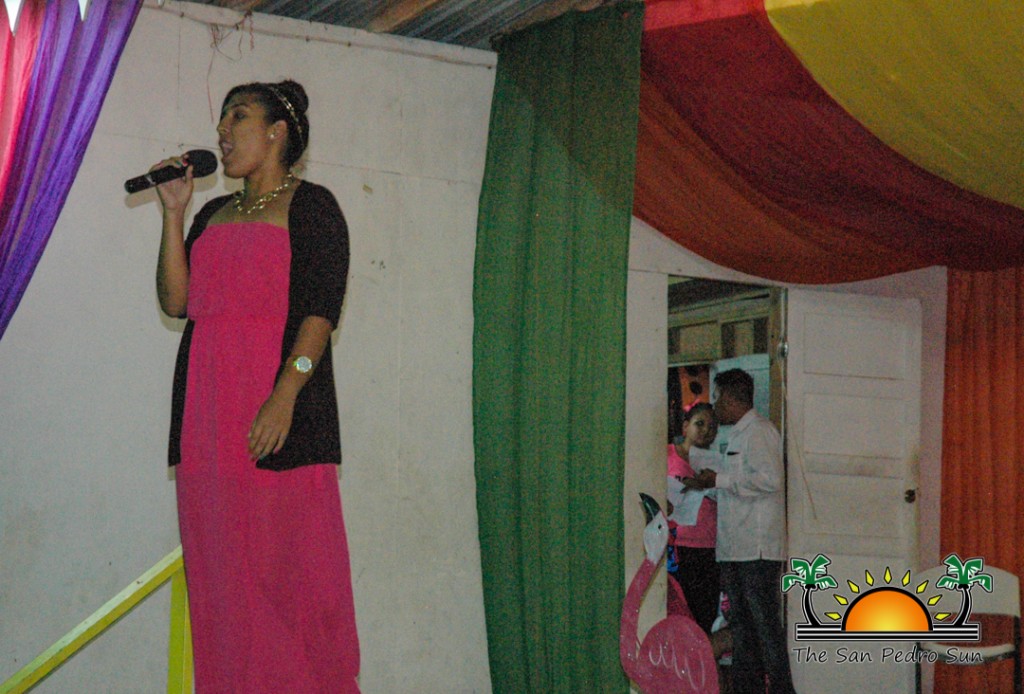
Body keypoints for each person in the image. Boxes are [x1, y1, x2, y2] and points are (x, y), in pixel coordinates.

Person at [153, 79, 360, 692]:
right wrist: (173, 213)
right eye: (221, 118)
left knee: (290, 578)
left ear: (276, 132)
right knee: (222, 585)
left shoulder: (312, 205)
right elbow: (177, 301)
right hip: (208, 420)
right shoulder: (212, 213)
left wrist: (286, 395)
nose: (222, 130)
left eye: (237, 117)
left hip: (275, 415)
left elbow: (320, 314)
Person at [687, 368, 795, 694]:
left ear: (733, 398)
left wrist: (719, 479)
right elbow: (738, 484)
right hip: (734, 547)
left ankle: (782, 689)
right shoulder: (736, 435)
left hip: (756, 549)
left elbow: (770, 480)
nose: (715, 406)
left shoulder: (759, 431)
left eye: (717, 398)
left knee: (764, 626)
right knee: (742, 629)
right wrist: (708, 484)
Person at [665, 402, 720, 634]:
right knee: (679, 610)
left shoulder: (716, 461)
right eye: (700, 424)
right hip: (677, 545)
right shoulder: (666, 454)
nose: (706, 430)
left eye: (712, 427)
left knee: (704, 613)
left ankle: (702, 655)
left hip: (709, 546)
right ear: (685, 426)